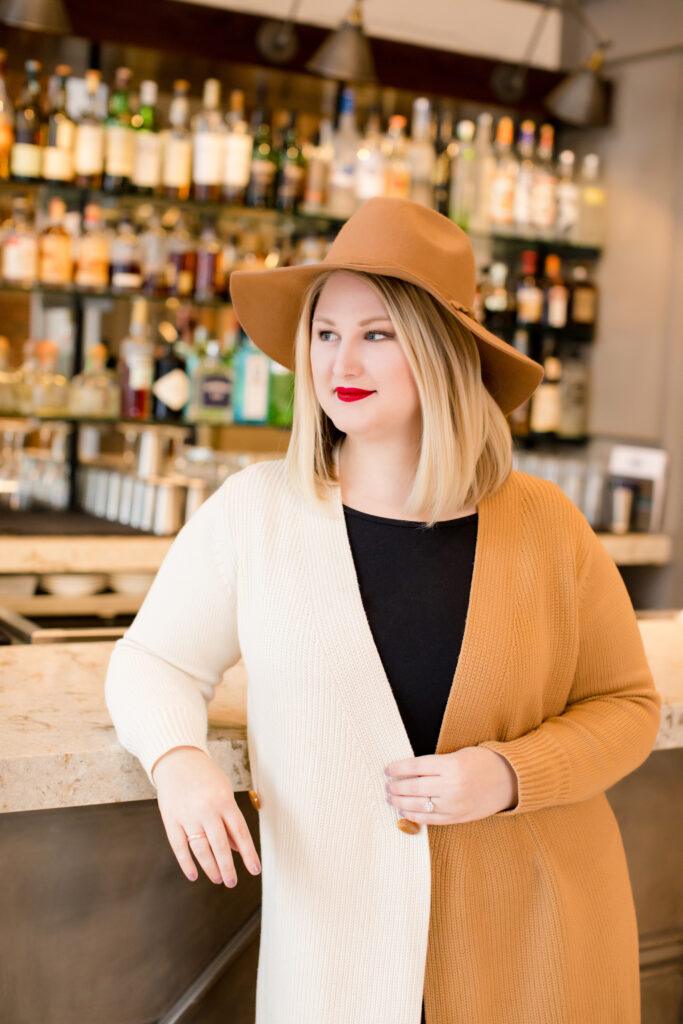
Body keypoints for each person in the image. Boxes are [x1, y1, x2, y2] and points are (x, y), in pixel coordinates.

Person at [104, 196, 662, 1024]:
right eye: (325, 333)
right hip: (339, 955)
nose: (340, 362)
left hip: (538, 944)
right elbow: (155, 660)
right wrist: (176, 759)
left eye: (376, 333)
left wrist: (511, 775)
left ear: (440, 348)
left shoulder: (546, 522)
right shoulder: (255, 510)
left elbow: (628, 706)